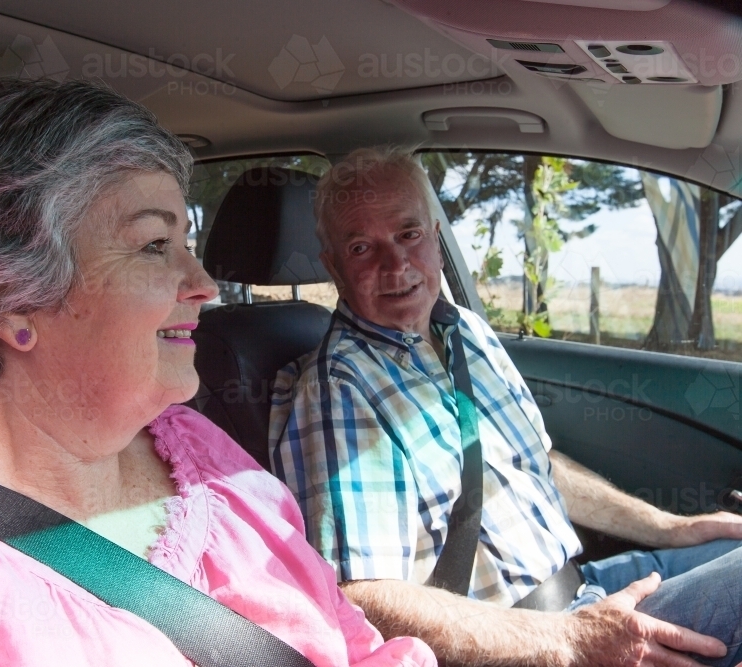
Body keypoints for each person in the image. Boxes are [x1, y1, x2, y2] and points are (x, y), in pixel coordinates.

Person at [0, 82, 436, 667]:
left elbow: (351, 642)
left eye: (186, 243)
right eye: (154, 245)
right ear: (8, 298)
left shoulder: (200, 453)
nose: (203, 284)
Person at [269, 145, 742, 667]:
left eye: (409, 235)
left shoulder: (463, 331)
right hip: (525, 644)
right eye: (362, 248)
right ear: (333, 265)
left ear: (434, 235)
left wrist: (671, 528)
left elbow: (536, 467)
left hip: (585, 591)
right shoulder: (337, 385)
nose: (396, 263)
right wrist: (573, 643)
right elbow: (362, 595)